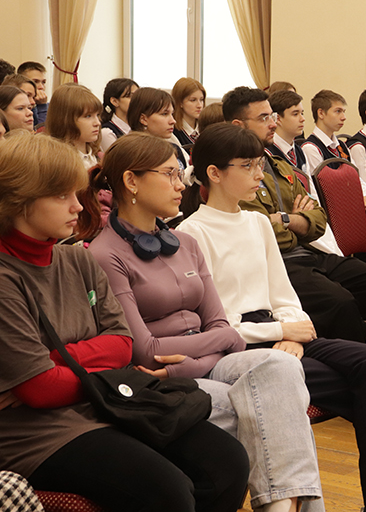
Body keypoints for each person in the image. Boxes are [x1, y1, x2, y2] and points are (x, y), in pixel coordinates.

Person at [179, 123, 366, 512]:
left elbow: (283, 294)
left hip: (282, 336)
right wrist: (283, 329)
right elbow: (217, 322)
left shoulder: (257, 222)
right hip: (242, 349)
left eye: (259, 164)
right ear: (214, 173)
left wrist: (292, 332)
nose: (259, 174)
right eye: (247, 166)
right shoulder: (192, 233)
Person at [0, 131, 249, 512]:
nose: (77, 207)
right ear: (19, 200)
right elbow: (41, 391)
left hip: (110, 403)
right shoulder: (6, 277)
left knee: (227, 462)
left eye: (76, 194)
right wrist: (93, 369)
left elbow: (123, 344)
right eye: (61, 196)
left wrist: (58, 358)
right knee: (167, 490)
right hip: (36, 432)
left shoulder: (77, 259)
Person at [86, 132, 323, 512]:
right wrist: (208, 349)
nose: (181, 184)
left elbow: (227, 332)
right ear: (132, 181)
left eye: (179, 173)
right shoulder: (105, 254)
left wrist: (192, 358)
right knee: (273, 411)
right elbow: (145, 350)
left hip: (194, 366)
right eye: (169, 174)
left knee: (280, 366)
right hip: (158, 382)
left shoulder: (185, 243)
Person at [221, 87, 366, 413]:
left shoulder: (278, 164)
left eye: (272, 115)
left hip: (308, 252)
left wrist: (287, 219)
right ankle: (363, 393)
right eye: (263, 117)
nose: (272, 123)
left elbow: (317, 218)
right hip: (276, 264)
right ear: (238, 125)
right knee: (341, 303)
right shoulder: (229, 173)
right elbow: (256, 231)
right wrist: (295, 221)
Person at [300, 89, 366, 260]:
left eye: (344, 111)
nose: (343, 117)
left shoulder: (341, 146)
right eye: (338, 111)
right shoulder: (311, 148)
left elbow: (357, 178)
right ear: (321, 113)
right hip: (335, 213)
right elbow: (322, 191)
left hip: (352, 208)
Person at [127, 87, 190, 171]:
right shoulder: (130, 153)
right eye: (164, 114)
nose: (173, 121)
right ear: (143, 119)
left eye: (172, 114)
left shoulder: (173, 146)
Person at [45, 84, 102, 169]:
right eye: (88, 116)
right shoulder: (60, 163)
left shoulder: (96, 156)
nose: (97, 123)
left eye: (97, 115)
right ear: (65, 120)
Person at [265, 90, 307, 171]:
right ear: (278, 118)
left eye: (302, 113)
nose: (302, 119)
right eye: (295, 114)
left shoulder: (300, 151)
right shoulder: (268, 154)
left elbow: (308, 179)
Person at [99, 78, 139, 152]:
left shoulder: (139, 127)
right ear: (115, 101)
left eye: (137, 96)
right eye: (130, 96)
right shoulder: (107, 132)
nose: (137, 100)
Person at [172, 77, 206, 145]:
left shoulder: (206, 128)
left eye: (201, 100)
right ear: (180, 102)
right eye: (193, 100)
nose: (199, 105)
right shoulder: (172, 131)